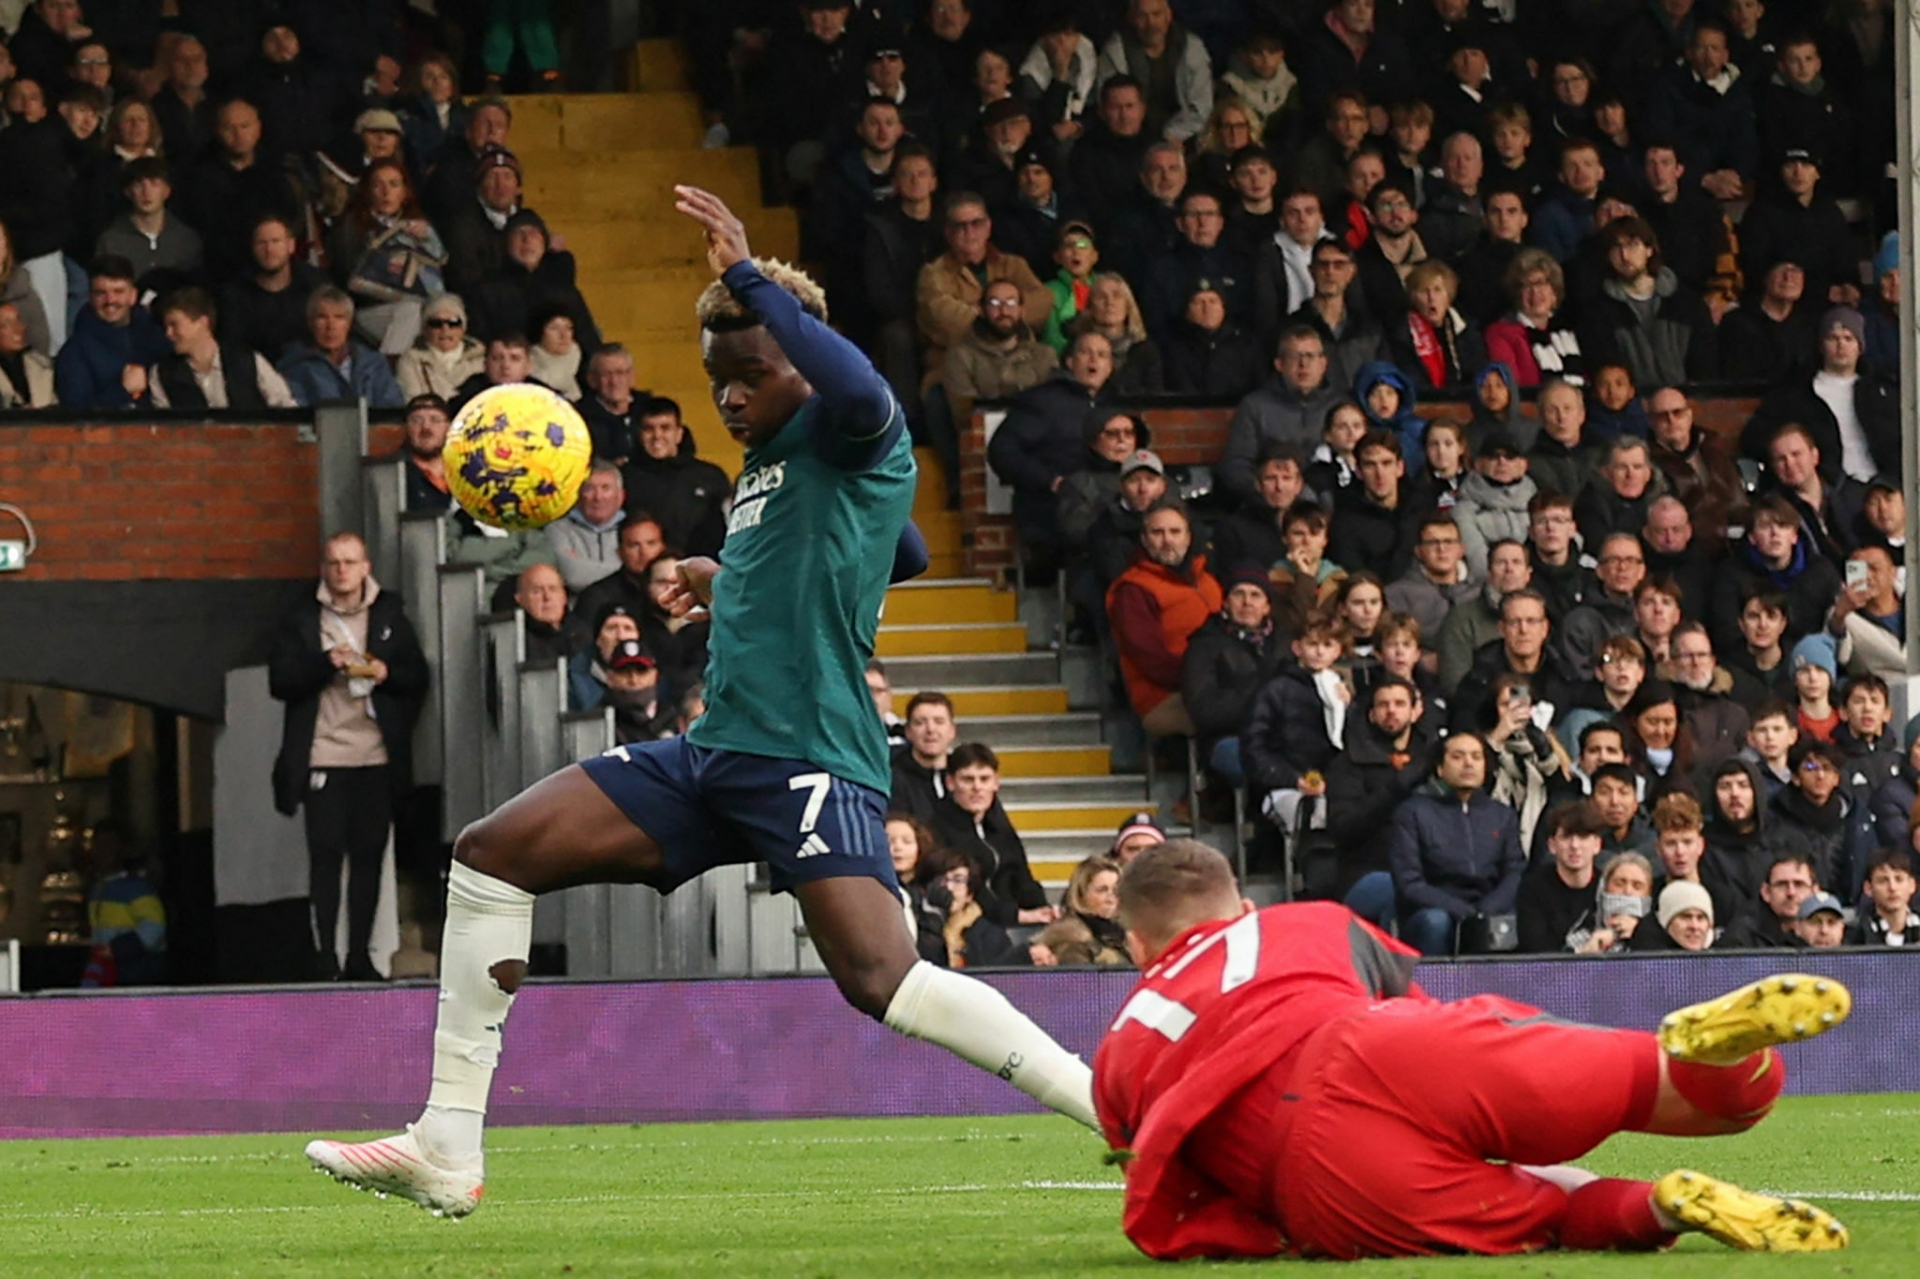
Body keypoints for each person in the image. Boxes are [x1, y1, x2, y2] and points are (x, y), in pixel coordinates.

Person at [307, 188, 1102, 1210]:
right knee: (490, 854)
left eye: (751, 372)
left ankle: (1113, 1108)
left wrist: (745, 275)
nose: (728, 397)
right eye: (716, 378)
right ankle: (447, 1145)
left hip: (810, 754)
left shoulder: (853, 430)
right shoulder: (774, 468)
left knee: (882, 980)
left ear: (797, 359)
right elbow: (889, 550)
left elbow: (862, 399)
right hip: (718, 752)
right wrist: (720, 570)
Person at [1094, 837, 1853, 1261]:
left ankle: (1657, 1206)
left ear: (1135, 942)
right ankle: (1723, 1056)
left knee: (1548, 1208)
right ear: (1241, 905)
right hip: (1383, 1043)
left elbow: (1177, 1188)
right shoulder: (1300, 922)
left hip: (1311, 1171)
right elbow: (1421, 1015)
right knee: (1658, 1081)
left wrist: (1271, 1227)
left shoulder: (1119, 1052)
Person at [268, 532, 429, 981]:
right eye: (334, 562)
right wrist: (326, 663)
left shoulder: (390, 613)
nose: (341, 570)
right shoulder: (302, 616)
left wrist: (385, 671)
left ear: (366, 567)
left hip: (375, 756)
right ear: (324, 567)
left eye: (350, 562)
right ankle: (324, 956)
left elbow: (418, 677)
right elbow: (280, 681)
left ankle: (360, 956)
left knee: (369, 856)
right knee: (324, 857)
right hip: (323, 754)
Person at [1386, 731, 1525, 955]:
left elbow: (1514, 871)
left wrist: (1486, 911)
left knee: (1513, 921)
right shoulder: (1413, 812)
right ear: (1440, 768)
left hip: (1488, 908)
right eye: (1458, 756)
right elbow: (1410, 882)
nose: (1468, 763)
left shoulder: (1502, 815)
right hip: (1433, 911)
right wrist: (1462, 911)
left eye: (1476, 757)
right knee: (1436, 922)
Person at [1108, 502, 1223, 738]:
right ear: (1144, 538)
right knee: (1234, 716)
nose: (1167, 540)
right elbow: (1150, 659)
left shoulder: (1208, 582)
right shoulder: (1134, 589)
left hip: (1218, 686)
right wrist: (1203, 680)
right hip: (1164, 697)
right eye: (1157, 533)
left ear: (1189, 537)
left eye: (1175, 532)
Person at [146, 286, 299, 409]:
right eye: (166, 326)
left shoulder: (248, 361)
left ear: (202, 323)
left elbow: (286, 408)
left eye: (174, 325)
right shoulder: (161, 374)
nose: (168, 333)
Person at [618, 397, 732, 560]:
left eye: (665, 428)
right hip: (644, 576)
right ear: (639, 434)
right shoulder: (623, 478)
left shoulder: (711, 476)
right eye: (649, 429)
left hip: (703, 571)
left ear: (679, 434)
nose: (657, 436)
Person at [277, 286, 407, 409]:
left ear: (349, 323)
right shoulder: (295, 367)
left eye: (339, 317)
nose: (331, 326)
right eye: (322, 317)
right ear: (311, 323)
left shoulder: (374, 363)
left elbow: (392, 409)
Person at [396, 294, 486, 401]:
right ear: (425, 329)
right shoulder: (411, 360)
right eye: (436, 323)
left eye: (453, 323)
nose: (445, 329)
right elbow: (414, 401)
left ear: (463, 328)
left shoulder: (483, 358)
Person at [1848, 848, 1920, 945]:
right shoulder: (1856, 935)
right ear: (1868, 888)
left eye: (1899, 879)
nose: (1892, 888)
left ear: (1912, 885)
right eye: (1883, 881)